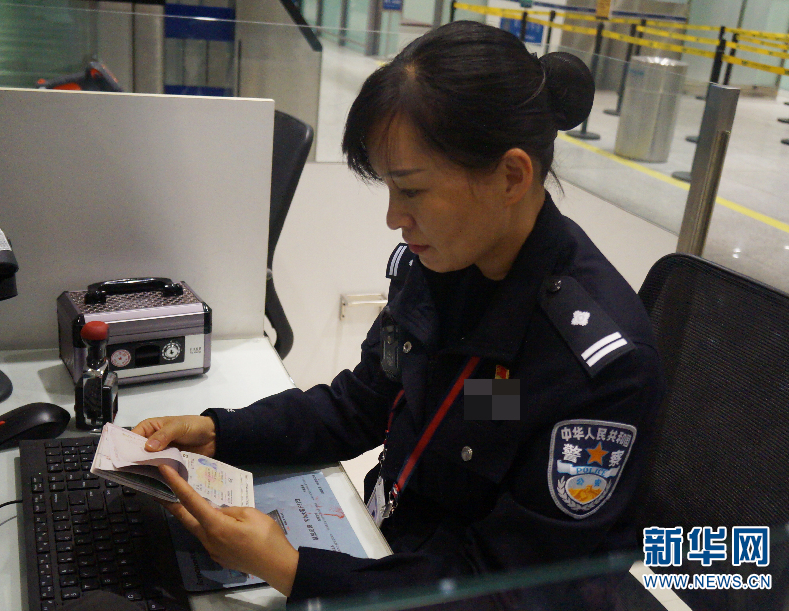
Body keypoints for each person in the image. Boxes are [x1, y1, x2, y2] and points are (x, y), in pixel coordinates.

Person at [134, 20, 666, 604]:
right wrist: (220, 433)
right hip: (390, 546)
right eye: (387, 187)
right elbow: (361, 405)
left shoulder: (595, 367)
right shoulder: (440, 267)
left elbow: (507, 590)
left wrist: (293, 572)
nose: (393, 217)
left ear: (512, 176)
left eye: (410, 190)